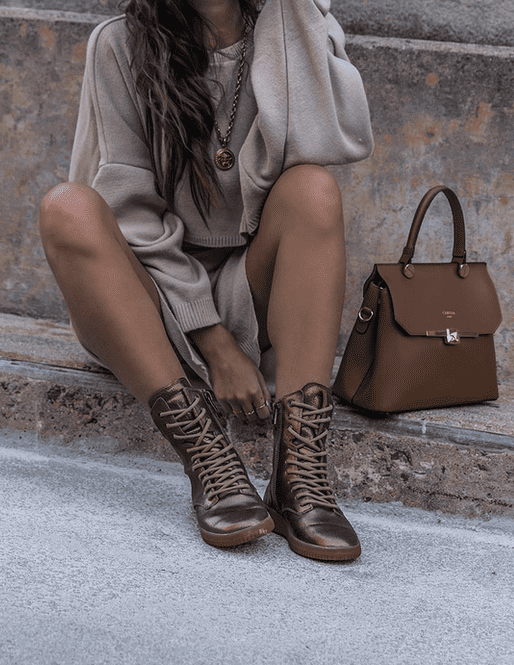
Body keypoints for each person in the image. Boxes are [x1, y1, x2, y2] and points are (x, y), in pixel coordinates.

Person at [38, 0, 373, 561]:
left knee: (313, 188)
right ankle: (207, 455)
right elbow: (130, 214)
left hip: (251, 288)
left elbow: (340, 139)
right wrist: (216, 344)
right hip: (150, 301)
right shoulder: (120, 44)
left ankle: (301, 476)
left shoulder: (285, 30)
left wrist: (297, 21)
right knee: (67, 207)